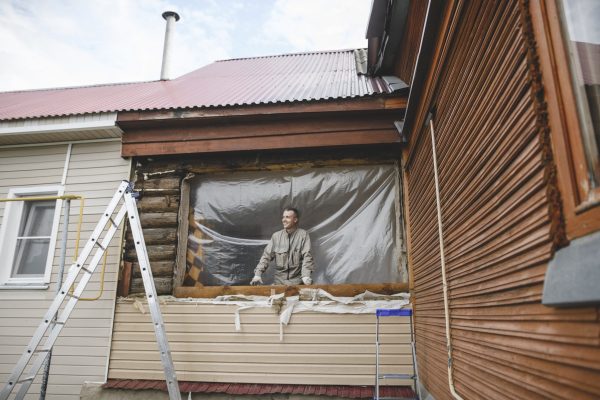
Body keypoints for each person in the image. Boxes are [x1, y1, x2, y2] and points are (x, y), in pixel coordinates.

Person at [250, 207, 315, 286]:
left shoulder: (303, 235)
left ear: (295, 220)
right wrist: (258, 274)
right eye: (283, 217)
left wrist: (306, 275)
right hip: (279, 283)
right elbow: (266, 256)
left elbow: (307, 256)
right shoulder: (276, 236)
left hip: (298, 283)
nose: (284, 220)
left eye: (287, 217)